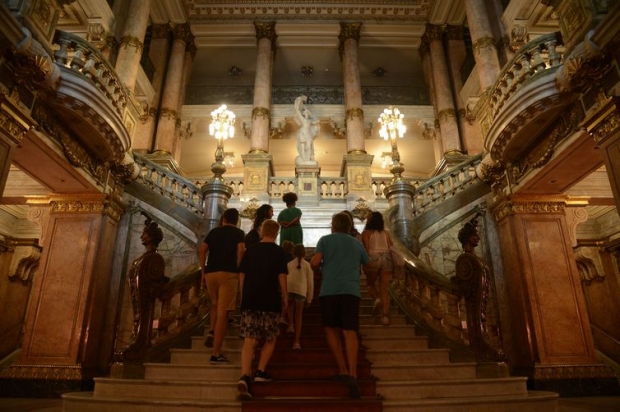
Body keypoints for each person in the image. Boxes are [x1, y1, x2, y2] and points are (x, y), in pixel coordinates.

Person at [310, 212, 369, 399]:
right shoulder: (357, 243)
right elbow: (368, 264)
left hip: (329, 290)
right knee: (350, 331)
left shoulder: (325, 240)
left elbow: (315, 261)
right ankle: (353, 373)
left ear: (333, 226)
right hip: (351, 291)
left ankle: (342, 369)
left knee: (331, 329)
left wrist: (320, 269)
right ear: (349, 226)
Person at [236, 219, 289, 400]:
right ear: (276, 233)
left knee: (249, 339)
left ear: (262, 232)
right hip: (270, 299)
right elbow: (281, 276)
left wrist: (243, 295)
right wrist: (286, 296)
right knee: (270, 337)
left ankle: (244, 375)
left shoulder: (251, 251)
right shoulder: (279, 252)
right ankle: (260, 371)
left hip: (250, 298)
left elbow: (241, 274)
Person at [198, 208, 245, 364]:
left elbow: (202, 250)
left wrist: (203, 272)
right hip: (228, 273)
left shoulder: (214, 232)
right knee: (223, 313)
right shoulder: (238, 233)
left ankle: (211, 331)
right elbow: (241, 252)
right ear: (236, 220)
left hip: (211, 273)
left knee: (214, 304)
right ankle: (216, 353)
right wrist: (238, 268)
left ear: (224, 218)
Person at [361, 211, 394, 326]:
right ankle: (385, 317)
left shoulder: (366, 233)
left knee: (370, 285)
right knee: (384, 288)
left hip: (373, 258)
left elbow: (365, 249)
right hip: (387, 258)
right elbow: (391, 247)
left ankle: (377, 299)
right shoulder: (386, 233)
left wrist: (364, 264)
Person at [286, 243, 314, 349]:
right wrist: (309, 298)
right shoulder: (307, 265)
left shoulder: (289, 264)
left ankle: (290, 324)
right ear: (304, 253)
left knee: (290, 307)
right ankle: (296, 341)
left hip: (289, 289)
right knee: (299, 316)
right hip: (301, 291)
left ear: (293, 253)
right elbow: (310, 284)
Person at [294, 95, 319, 164]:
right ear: (304, 114)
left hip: (308, 135)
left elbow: (317, 121)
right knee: (302, 148)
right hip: (302, 133)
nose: (306, 113)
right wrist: (299, 101)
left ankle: (308, 160)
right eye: (305, 112)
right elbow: (297, 111)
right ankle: (305, 161)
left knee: (309, 147)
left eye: (307, 112)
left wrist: (311, 115)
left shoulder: (310, 121)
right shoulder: (303, 119)